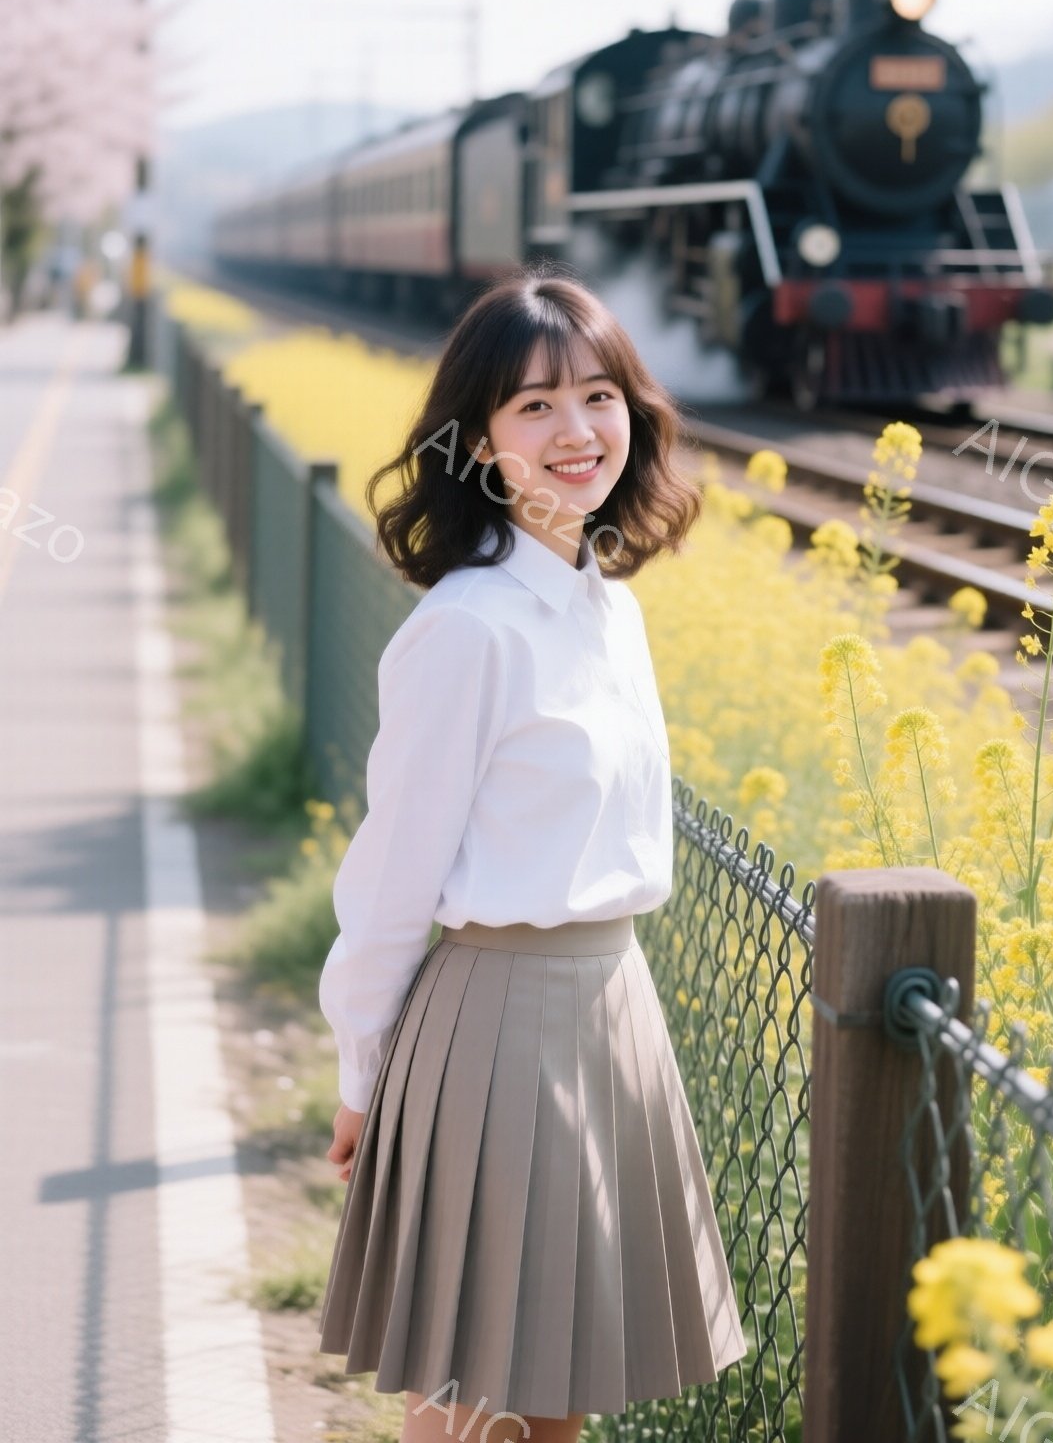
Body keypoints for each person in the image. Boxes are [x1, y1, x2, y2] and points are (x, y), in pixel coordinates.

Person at [316, 264, 748, 1443]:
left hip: (614, 1008)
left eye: (599, 396)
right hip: (498, 1020)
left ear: (635, 413)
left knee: (563, 1398)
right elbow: (393, 878)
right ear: (480, 440)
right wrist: (363, 1075)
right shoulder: (466, 629)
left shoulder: (609, 605)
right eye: (535, 406)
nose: (577, 431)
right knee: (482, 1403)